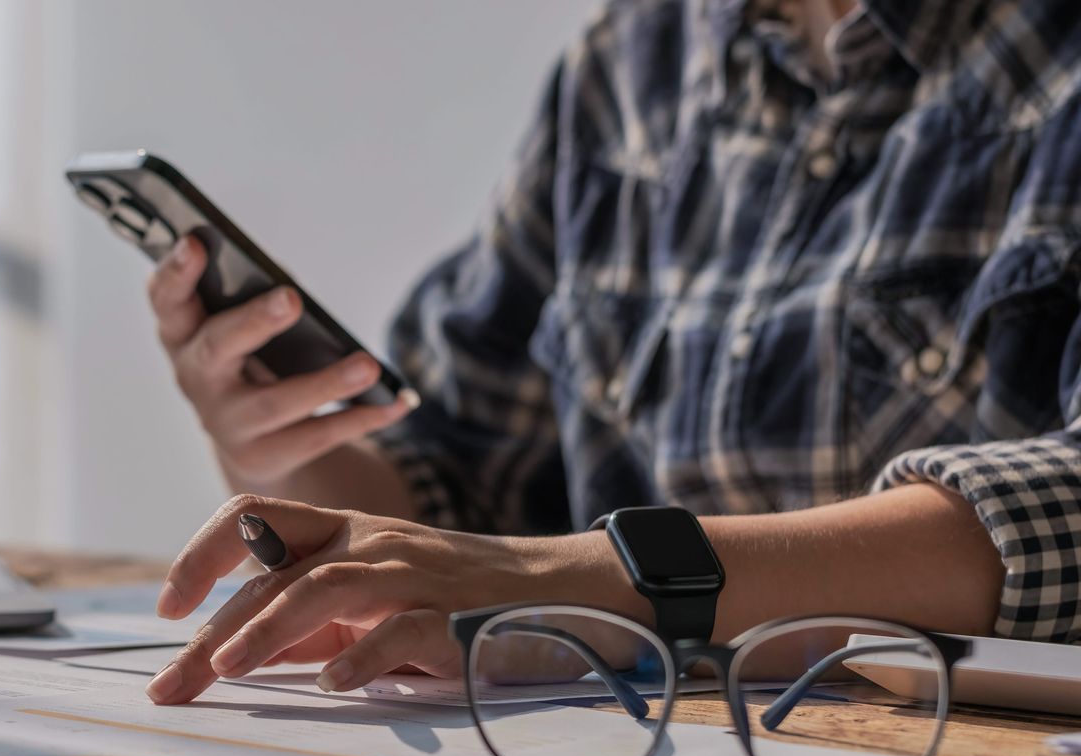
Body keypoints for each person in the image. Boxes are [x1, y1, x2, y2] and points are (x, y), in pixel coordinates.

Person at [141, 0, 1081, 705]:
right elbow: (455, 492)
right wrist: (290, 439)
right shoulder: (633, 63)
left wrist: (584, 584)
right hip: (612, 752)